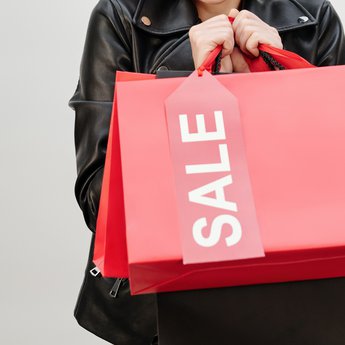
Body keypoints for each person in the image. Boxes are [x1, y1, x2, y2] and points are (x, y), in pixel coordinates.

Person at [69, 0, 345, 344]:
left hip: (295, 303)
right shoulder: (120, 16)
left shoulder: (312, 16)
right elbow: (100, 203)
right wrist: (187, 74)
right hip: (163, 314)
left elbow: (334, 187)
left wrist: (280, 78)